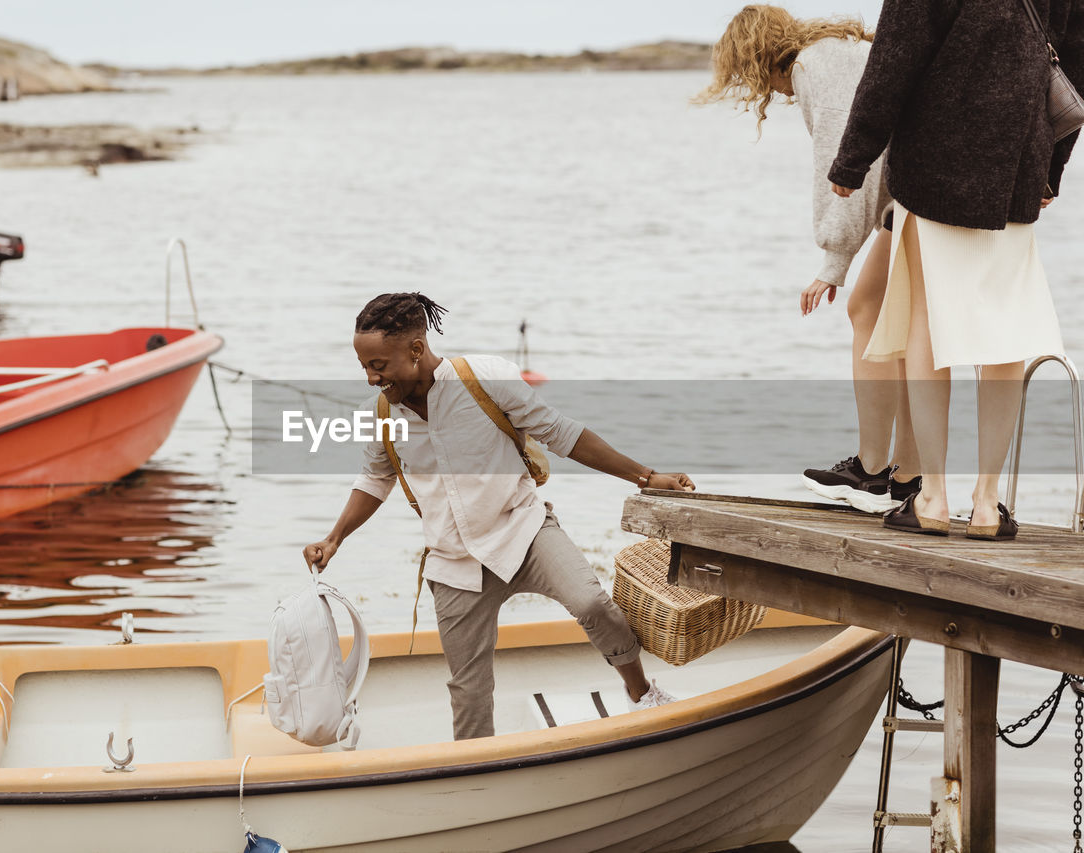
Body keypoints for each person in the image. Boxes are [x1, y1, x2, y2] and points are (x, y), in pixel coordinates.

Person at [302, 292, 696, 741]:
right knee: (467, 689)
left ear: (415, 349)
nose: (372, 378)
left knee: (592, 604)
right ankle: (477, 771)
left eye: (379, 365)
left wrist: (645, 477)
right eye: (365, 367)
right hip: (453, 562)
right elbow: (375, 479)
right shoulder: (381, 415)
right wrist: (335, 538)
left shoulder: (486, 380)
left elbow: (562, 433)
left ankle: (641, 692)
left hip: (522, 530)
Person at [829, 0, 1083, 540]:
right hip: (1018, 165)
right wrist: (1050, 171)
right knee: (1006, 335)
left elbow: (893, 61)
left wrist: (853, 158)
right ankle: (988, 505)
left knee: (927, 324)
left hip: (937, 162)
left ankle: (934, 497)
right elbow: (1073, 68)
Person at [695, 5, 921, 513]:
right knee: (896, 328)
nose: (772, 94)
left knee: (868, 313)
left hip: (912, 199)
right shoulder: (839, 49)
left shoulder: (815, 64)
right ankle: (907, 476)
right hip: (910, 197)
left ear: (758, 58)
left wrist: (834, 260)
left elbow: (843, 163)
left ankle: (871, 469)